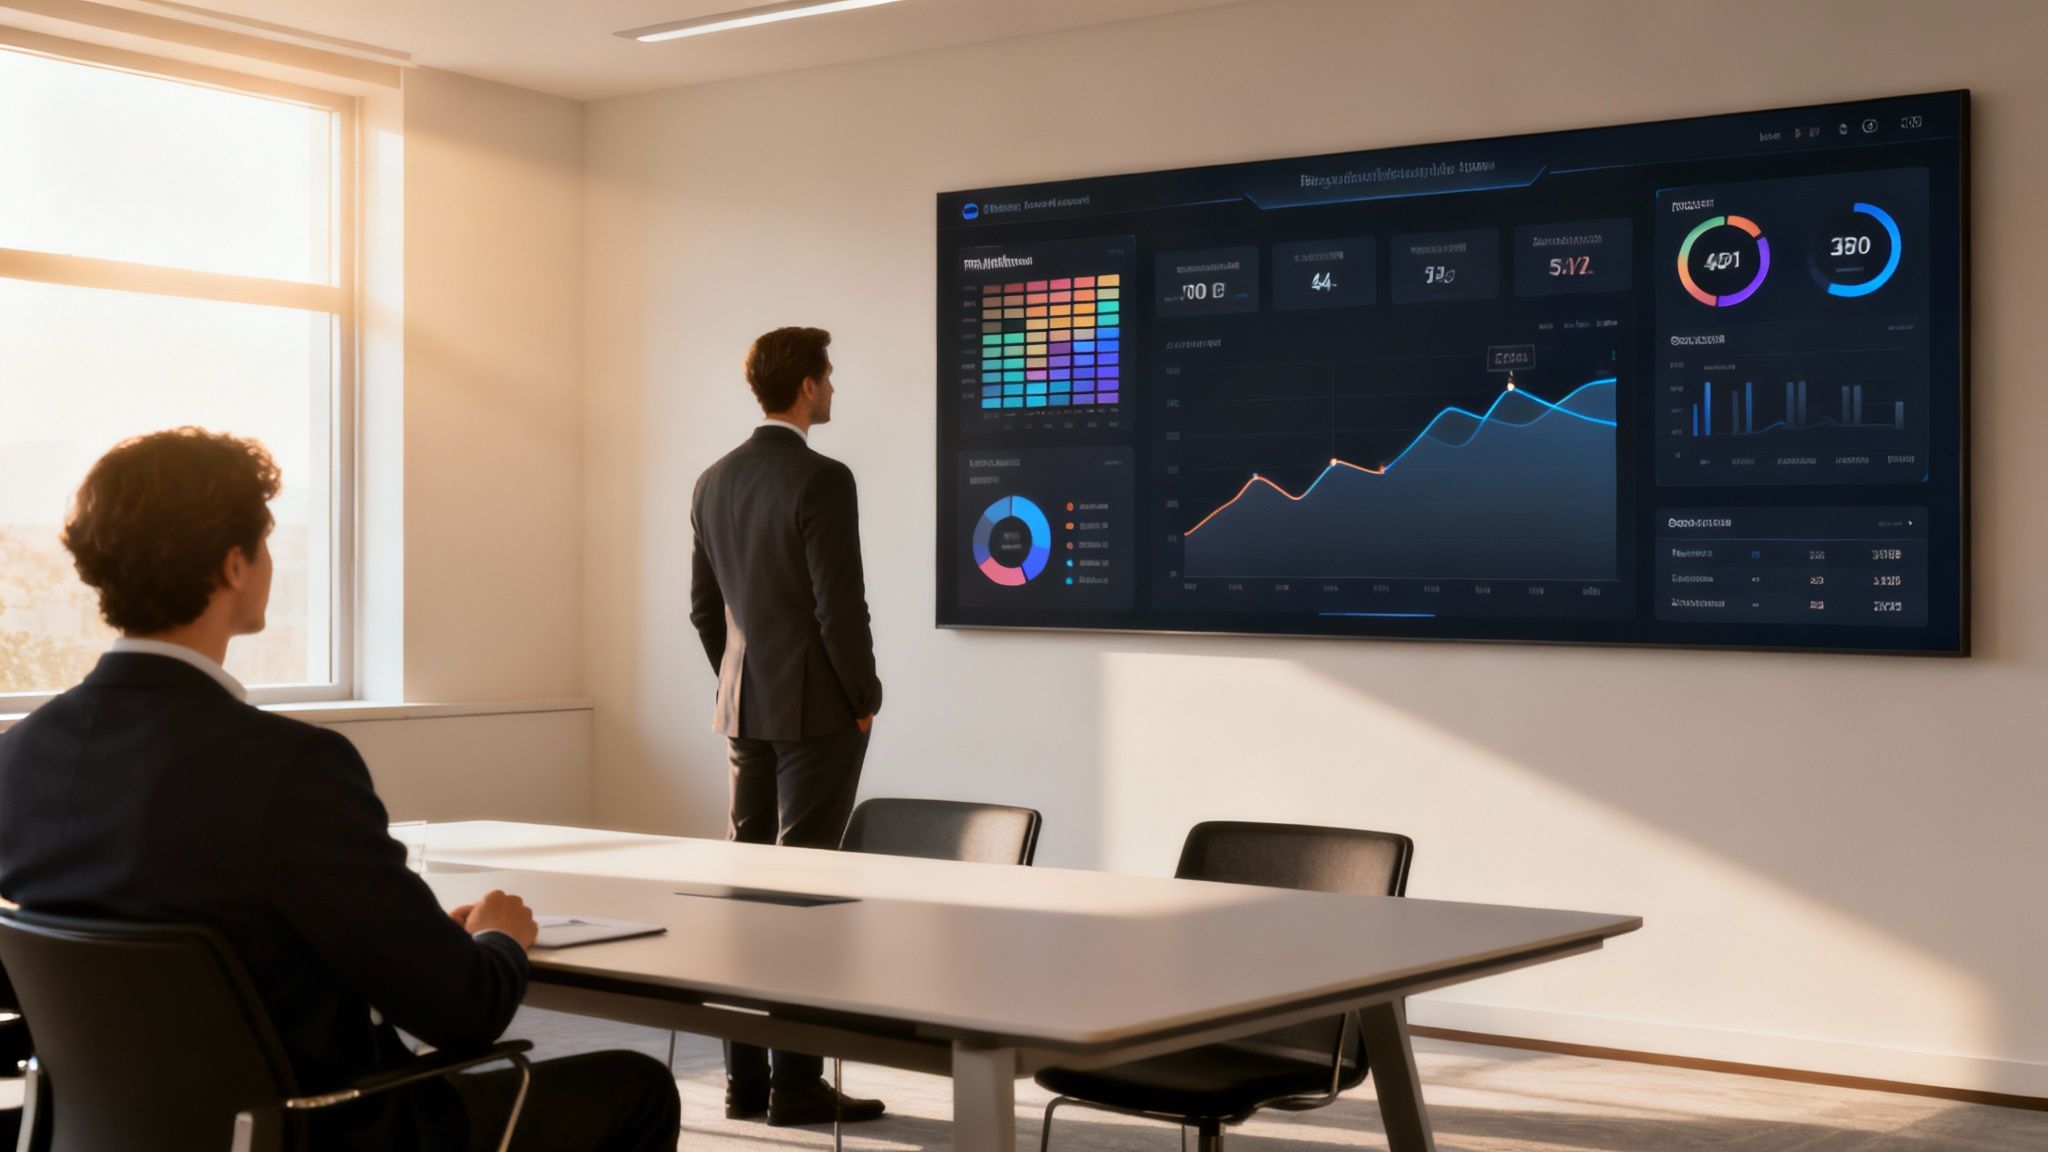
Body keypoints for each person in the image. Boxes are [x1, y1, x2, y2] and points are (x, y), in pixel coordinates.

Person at [0, 429, 680, 1152]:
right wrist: (497, 938)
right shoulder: (290, 768)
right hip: (323, 1128)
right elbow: (463, 1010)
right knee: (636, 1086)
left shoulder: (19, 756)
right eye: (265, 543)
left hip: (108, 1130)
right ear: (234, 564)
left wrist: (410, 938)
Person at [689, 327, 885, 1126]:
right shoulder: (823, 478)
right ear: (806, 386)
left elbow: (705, 611)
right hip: (818, 711)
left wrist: (741, 680)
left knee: (749, 891)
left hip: (744, 706)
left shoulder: (712, 480)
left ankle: (744, 1082)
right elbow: (840, 607)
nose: (832, 389)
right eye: (828, 377)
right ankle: (796, 1086)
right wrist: (864, 695)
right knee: (801, 891)